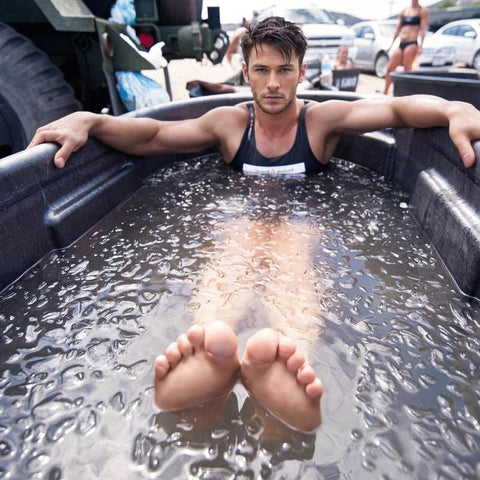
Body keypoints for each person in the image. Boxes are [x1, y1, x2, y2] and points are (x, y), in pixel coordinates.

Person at [28, 16, 480, 432]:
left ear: (302, 72)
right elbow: (154, 135)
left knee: (295, 254)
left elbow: (396, 111)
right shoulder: (229, 125)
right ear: (246, 73)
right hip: (239, 217)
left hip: (303, 220)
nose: (273, 83)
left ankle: (285, 358)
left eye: (284, 70)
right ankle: (212, 355)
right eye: (261, 70)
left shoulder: (321, 122)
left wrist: (451, 110)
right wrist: (92, 119)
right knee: (234, 246)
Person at [383, 0, 429, 95]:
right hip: (401, 43)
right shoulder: (404, 11)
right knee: (389, 68)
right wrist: (391, 45)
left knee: (407, 70)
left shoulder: (422, 11)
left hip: (412, 43)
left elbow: (423, 29)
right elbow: (397, 29)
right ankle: (385, 92)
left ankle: (405, 94)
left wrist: (421, 45)